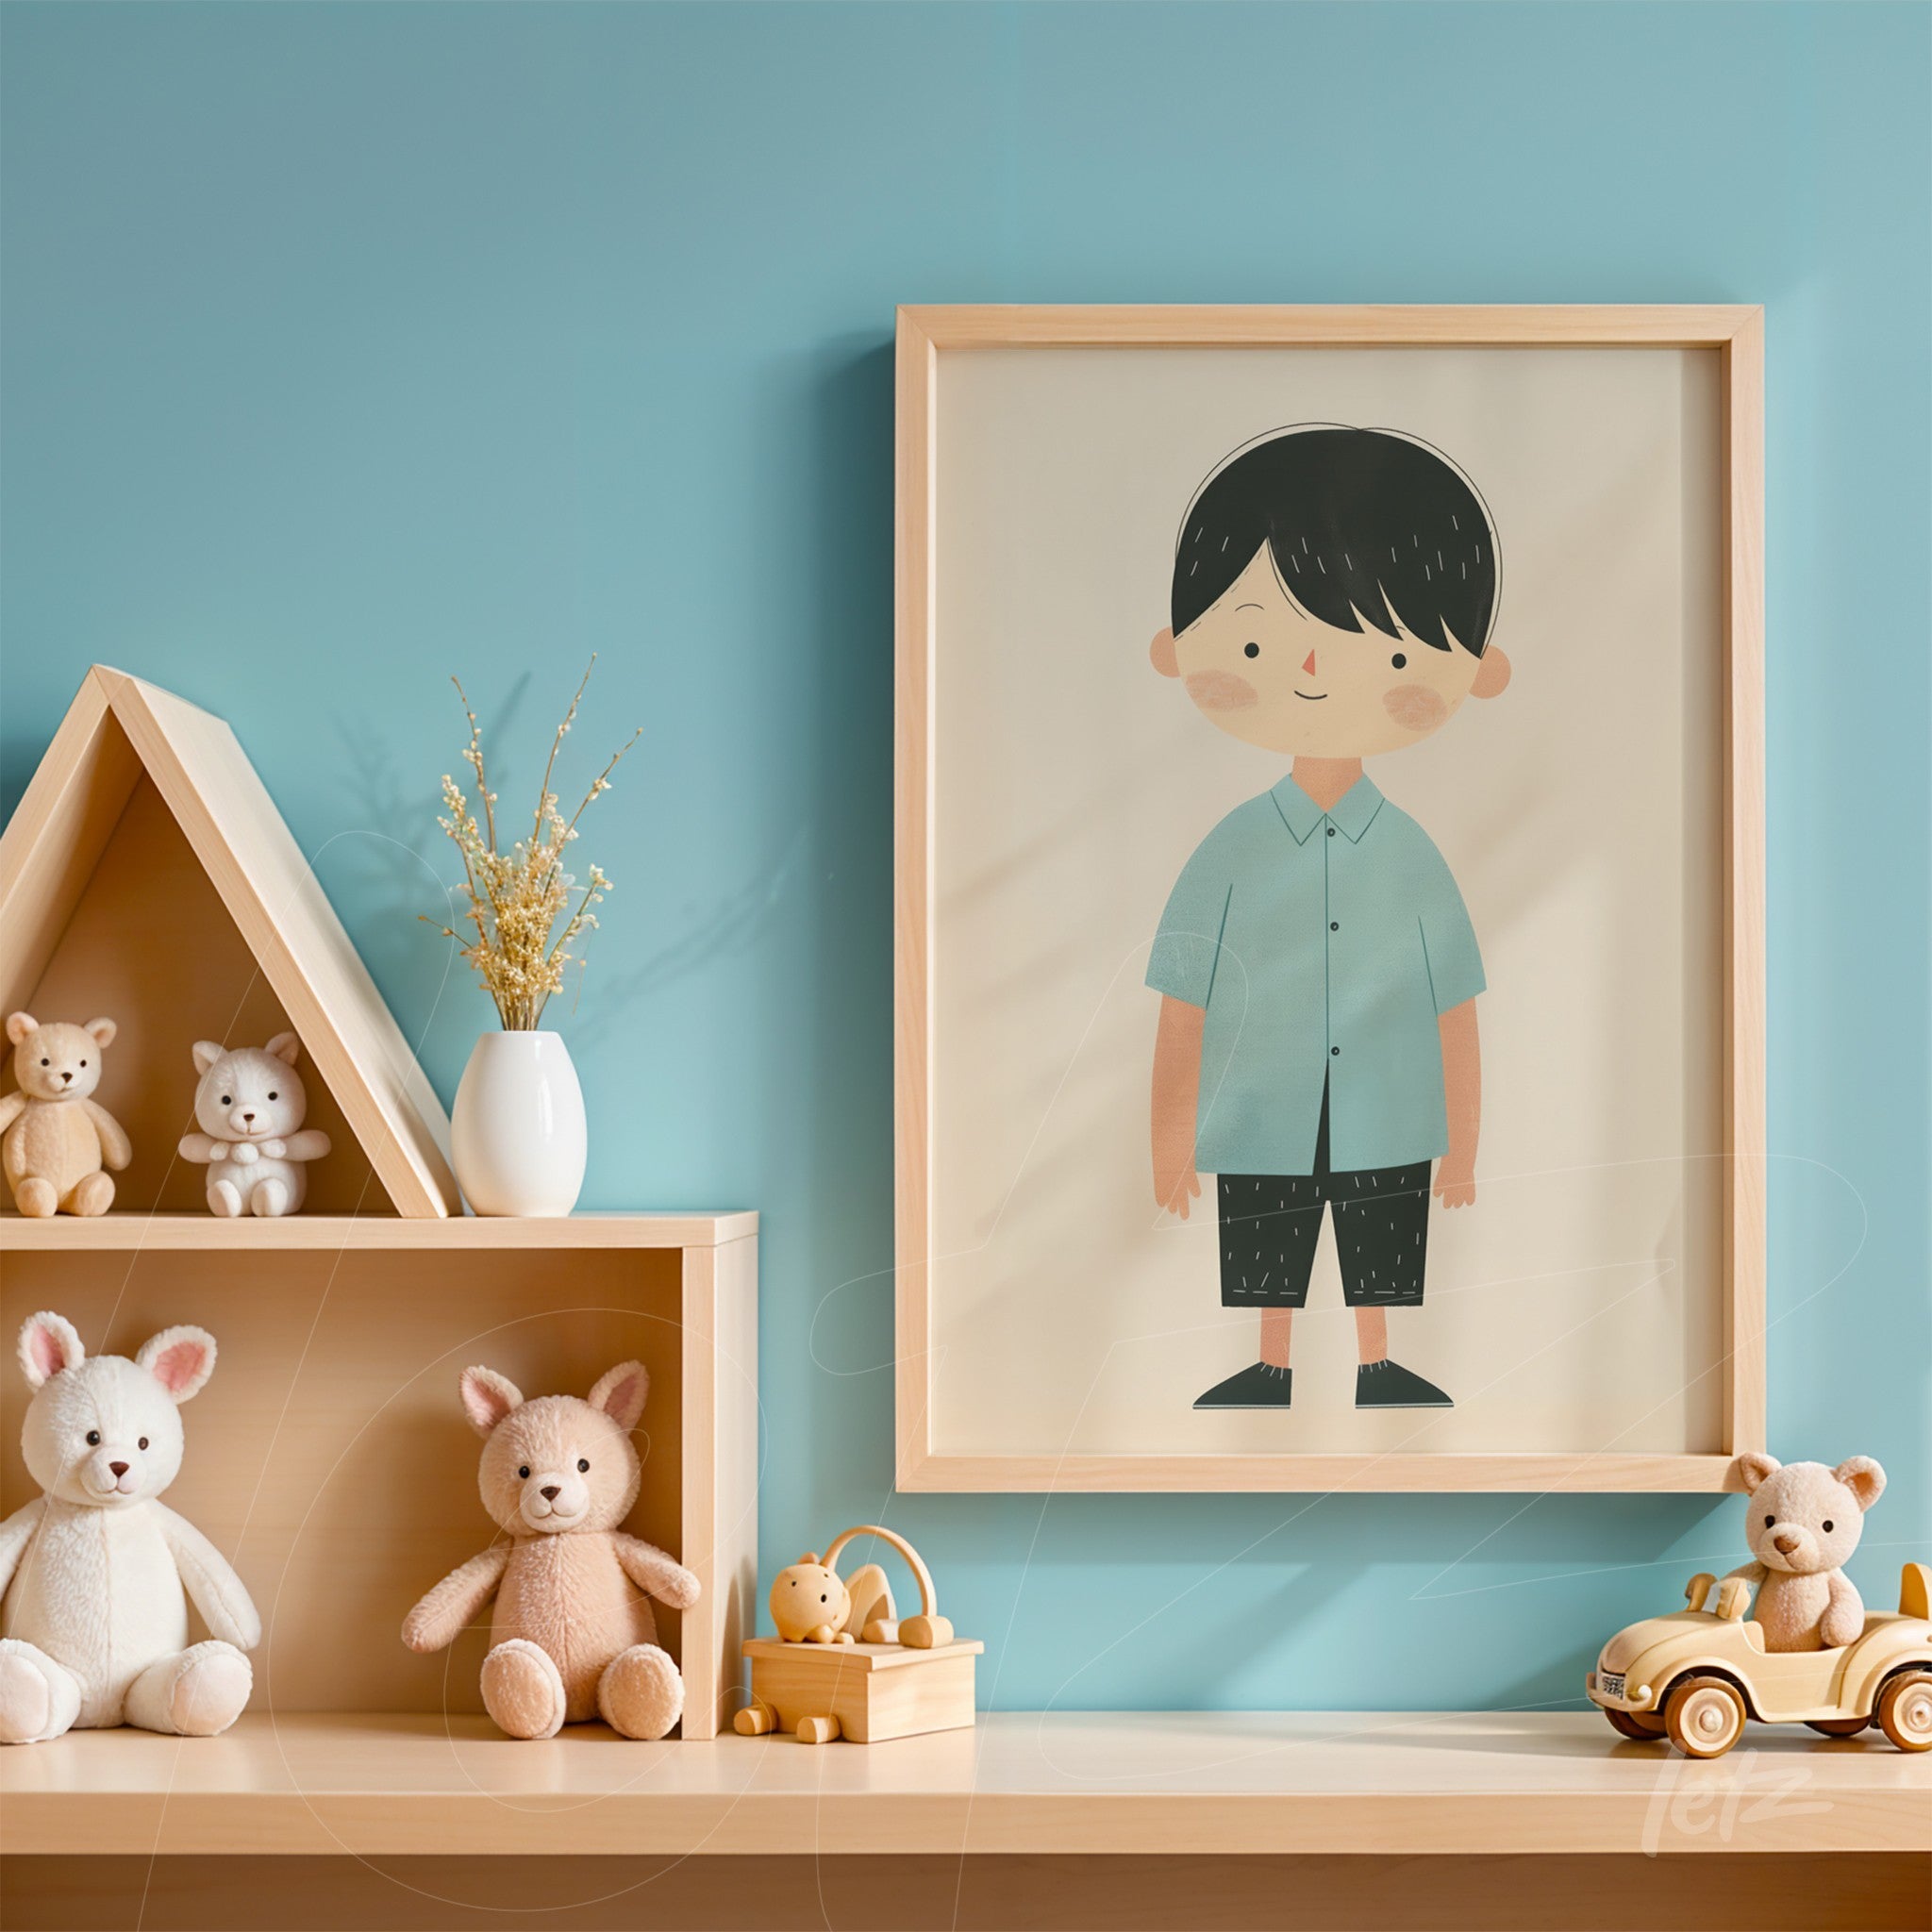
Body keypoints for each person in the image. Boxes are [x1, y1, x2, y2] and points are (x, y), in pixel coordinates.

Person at [1146, 425, 1512, 1409]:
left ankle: (1374, 1359)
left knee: (1376, 1229)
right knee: (1267, 1227)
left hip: (1388, 1110)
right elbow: (1180, 1005)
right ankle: (1267, 1364)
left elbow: (1454, 1010)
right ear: (1175, 649)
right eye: (1260, 640)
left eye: (1377, 644)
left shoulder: (1412, 855)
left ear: (1473, 668)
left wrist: (1464, 1149)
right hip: (1256, 1110)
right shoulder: (1226, 849)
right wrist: (1167, 1139)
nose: (1312, 669)